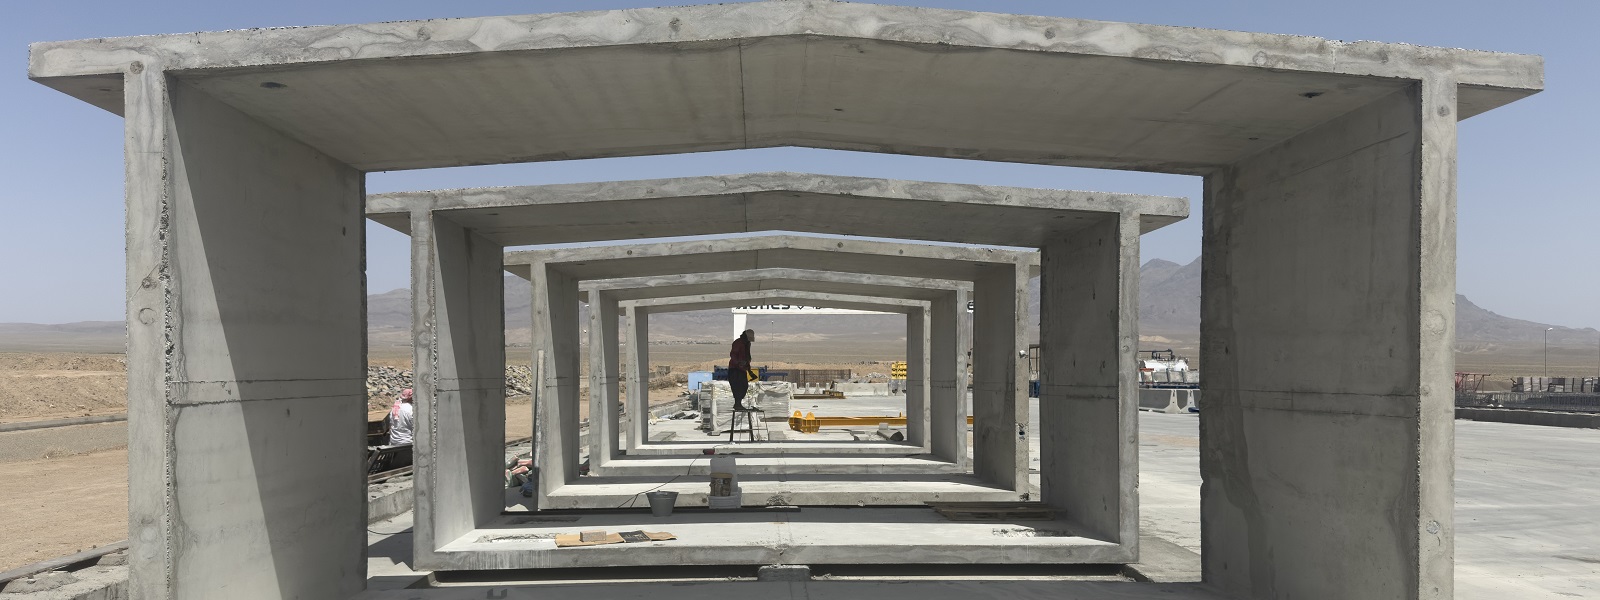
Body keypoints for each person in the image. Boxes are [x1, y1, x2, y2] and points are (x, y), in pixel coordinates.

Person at [728, 329, 755, 410]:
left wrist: (749, 371)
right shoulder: (738, 343)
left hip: (742, 369)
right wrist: (738, 363)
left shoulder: (747, 344)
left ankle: (738, 403)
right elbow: (733, 354)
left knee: (744, 386)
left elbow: (747, 358)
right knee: (737, 387)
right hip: (734, 369)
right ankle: (737, 403)